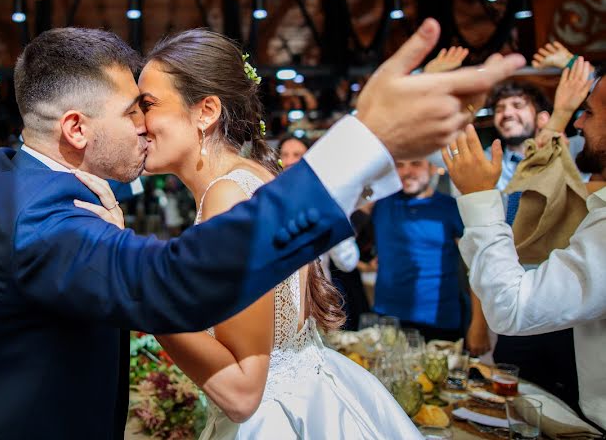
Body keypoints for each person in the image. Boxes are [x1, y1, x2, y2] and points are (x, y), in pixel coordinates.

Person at [0, 19, 524, 439]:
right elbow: (172, 282)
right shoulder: (38, 214)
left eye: (148, 107)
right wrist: (365, 139)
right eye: (133, 109)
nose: (142, 125)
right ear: (76, 128)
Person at [84, 29, 421, 438]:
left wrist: (130, 277)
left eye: (148, 105)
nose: (137, 123)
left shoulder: (228, 197)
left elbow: (242, 391)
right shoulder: (253, 178)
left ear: (206, 111)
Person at [445, 104, 606, 430]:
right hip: (547, 307)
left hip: (542, 310)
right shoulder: (516, 180)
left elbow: (513, 305)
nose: (579, 121)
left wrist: (478, 195)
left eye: (589, 111)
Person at [371, 158, 481, 344]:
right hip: (387, 317)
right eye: (400, 165)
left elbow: (477, 265)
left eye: (416, 164)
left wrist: (479, 324)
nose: (407, 171)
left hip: (440, 320)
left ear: (432, 168)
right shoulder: (380, 205)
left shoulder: (450, 207)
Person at [278, 133, 366, 329]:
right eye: (285, 154)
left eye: (297, 154)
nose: (290, 160)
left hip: (316, 299)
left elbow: (347, 262)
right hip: (277, 301)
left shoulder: (325, 198)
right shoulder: (269, 200)